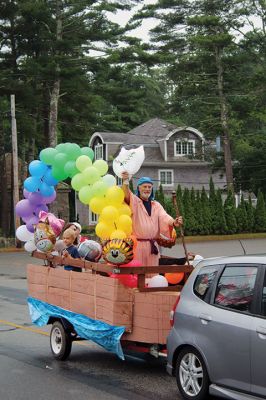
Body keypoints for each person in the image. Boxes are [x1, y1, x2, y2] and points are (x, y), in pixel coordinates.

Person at [121, 172, 183, 267]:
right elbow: (126, 194)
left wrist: (174, 222)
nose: (147, 189)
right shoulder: (135, 202)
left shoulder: (156, 205)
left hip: (153, 246)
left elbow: (164, 217)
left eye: (149, 187)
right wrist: (125, 181)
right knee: (138, 273)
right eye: (144, 186)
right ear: (139, 188)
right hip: (138, 246)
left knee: (153, 273)